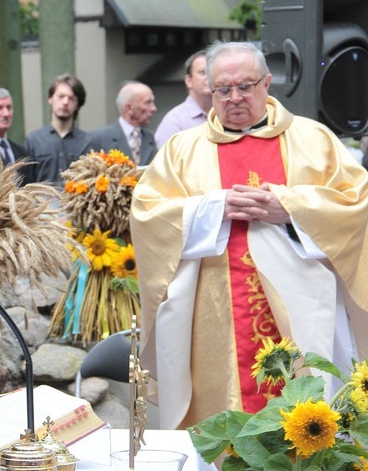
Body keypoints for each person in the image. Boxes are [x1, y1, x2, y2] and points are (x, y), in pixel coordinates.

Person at [130, 41, 368, 431]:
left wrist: (289, 208)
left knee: (308, 418)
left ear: (267, 83)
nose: (234, 97)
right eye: (222, 89)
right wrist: (210, 209)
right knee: (222, 431)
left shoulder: (314, 139)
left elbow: (355, 204)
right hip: (214, 314)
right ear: (209, 89)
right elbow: (148, 215)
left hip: (302, 306)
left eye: (245, 86)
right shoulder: (181, 149)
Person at [25, 74, 90, 186]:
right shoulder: (34, 140)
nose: (65, 102)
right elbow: (25, 182)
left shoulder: (87, 141)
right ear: (50, 99)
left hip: (75, 202)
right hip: (41, 202)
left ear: (77, 105)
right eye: (61, 96)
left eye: (71, 98)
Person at [154, 50, 213, 148]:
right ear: (188, 81)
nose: (209, 77)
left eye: (212, 72)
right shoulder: (174, 121)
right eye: (203, 72)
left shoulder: (226, 116)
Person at [89, 81, 158, 165]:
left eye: (153, 102)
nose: (153, 109)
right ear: (129, 108)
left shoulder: (151, 138)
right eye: (148, 103)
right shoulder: (99, 139)